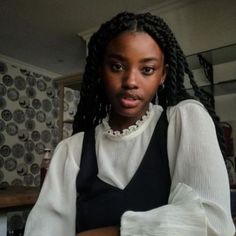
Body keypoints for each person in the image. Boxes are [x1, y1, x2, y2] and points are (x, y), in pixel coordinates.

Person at [24, 12, 235, 236]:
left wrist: (114, 232)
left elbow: (213, 225)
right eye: (117, 67)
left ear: (163, 75)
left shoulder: (183, 121)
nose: (130, 82)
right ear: (100, 70)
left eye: (147, 70)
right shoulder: (71, 151)